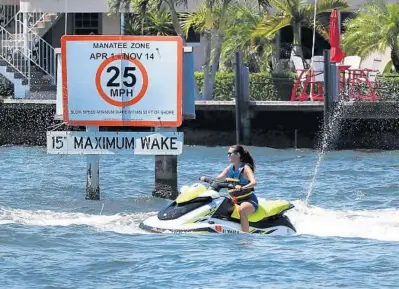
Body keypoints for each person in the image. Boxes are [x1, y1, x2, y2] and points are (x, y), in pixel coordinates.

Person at [200, 145, 258, 233]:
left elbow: (253, 182)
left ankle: (245, 236)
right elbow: (218, 179)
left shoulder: (245, 168)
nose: (228, 155)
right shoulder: (229, 168)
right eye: (228, 153)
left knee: (242, 209)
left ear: (238, 155)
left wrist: (243, 187)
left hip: (248, 199)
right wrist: (205, 179)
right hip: (233, 199)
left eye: (230, 153)